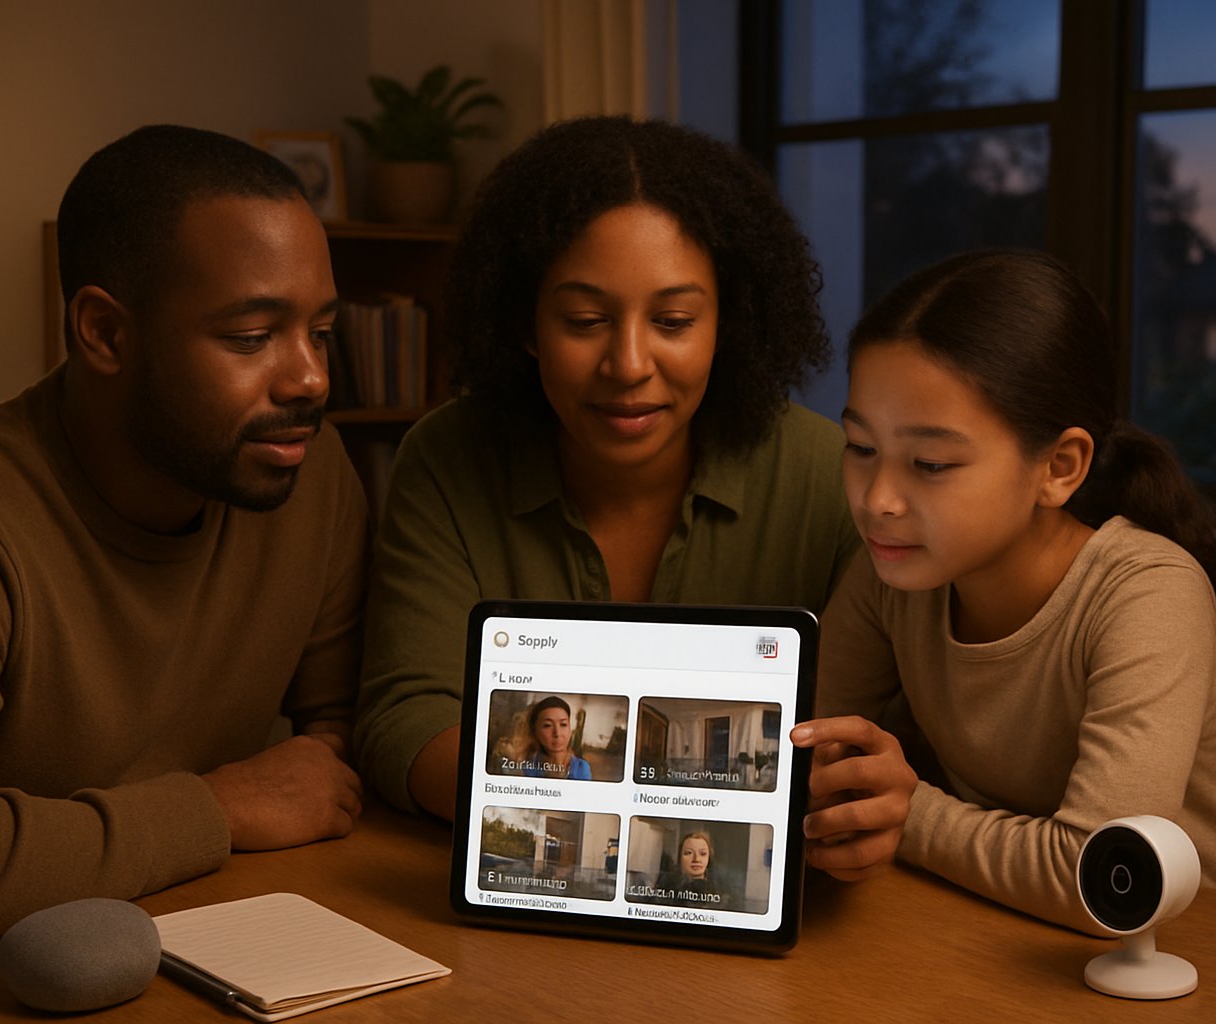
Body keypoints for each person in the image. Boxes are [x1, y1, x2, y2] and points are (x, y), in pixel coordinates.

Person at [0, 125, 368, 964]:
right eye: (251, 337)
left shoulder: (307, 474)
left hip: (175, 926)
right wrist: (218, 808)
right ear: (103, 332)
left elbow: (336, 744)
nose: (310, 379)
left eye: (319, 332)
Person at [353, 115, 915, 883]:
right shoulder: (448, 459)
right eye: (584, 320)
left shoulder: (829, 475)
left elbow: (877, 727)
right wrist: (597, 809)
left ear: (729, 322)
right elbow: (403, 718)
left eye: (674, 321)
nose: (628, 363)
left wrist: (867, 793)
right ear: (524, 323)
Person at [792, 248, 1216, 933]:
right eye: (859, 447)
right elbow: (799, 770)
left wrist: (907, 811)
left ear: (1059, 467)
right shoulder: (898, 571)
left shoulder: (1146, 593)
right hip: (1020, 933)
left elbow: (1098, 871)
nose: (879, 498)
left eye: (931, 463)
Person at [517, 696, 591, 780]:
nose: (557, 733)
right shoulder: (528, 765)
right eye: (547, 725)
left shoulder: (581, 768)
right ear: (535, 731)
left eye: (563, 724)